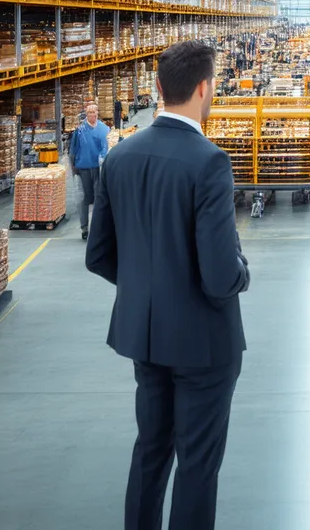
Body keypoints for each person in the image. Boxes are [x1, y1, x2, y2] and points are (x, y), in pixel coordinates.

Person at [86, 40, 250, 530]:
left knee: (150, 452)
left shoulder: (120, 157)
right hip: (202, 344)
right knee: (197, 465)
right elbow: (221, 277)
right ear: (204, 88)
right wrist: (244, 270)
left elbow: (99, 256)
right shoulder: (209, 162)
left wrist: (148, 285)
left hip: (145, 337)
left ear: (157, 88)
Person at [69, 103, 109, 241]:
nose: (92, 114)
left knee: (99, 197)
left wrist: (103, 160)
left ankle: (97, 228)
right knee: (84, 199)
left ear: (98, 113)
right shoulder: (79, 131)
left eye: (94, 112)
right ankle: (84, 228)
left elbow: (106, 148)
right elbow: (73, 150)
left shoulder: (104, 129)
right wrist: (73, 167)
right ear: (86, 115)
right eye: (90, 112)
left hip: (98, 169)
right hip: (84, 169)